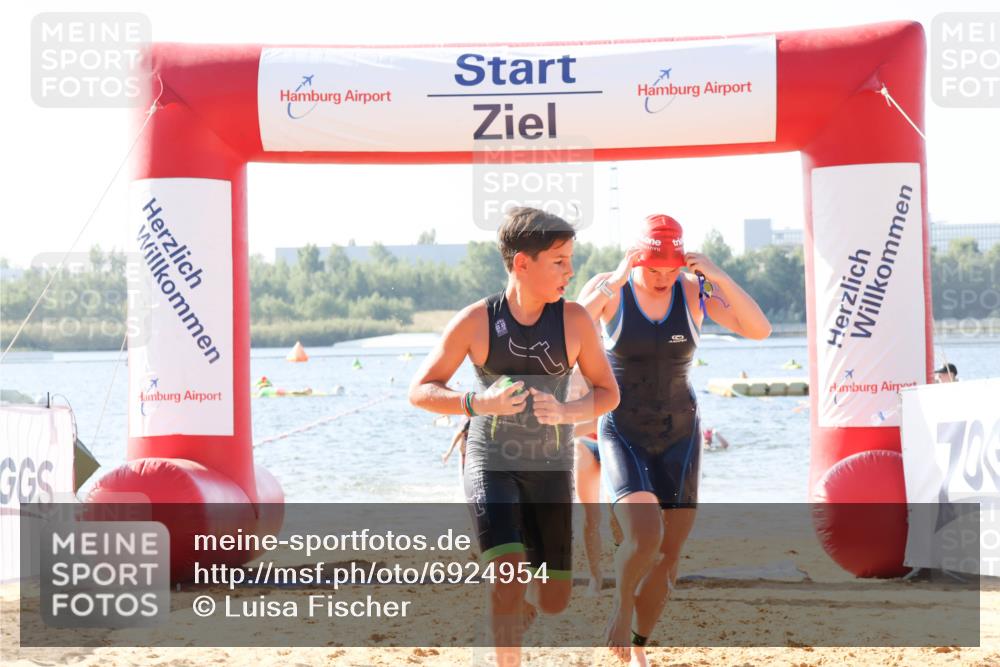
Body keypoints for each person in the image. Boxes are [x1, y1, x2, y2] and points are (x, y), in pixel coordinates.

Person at [409, 207, 620, 667]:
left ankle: (515, 589)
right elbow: (421, 390)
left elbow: (609, 393)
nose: (570, 270)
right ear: (522, 263)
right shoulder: (477, 321)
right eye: (559, 261)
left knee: (554, 599)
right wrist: (476, 403)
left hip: (550, 468)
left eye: (570, 259)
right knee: (508, 576)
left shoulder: (575, 321)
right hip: (489, 460)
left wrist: (566, 411)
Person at [577, 214, 771, 665]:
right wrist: (617, 280)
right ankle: (621, 607)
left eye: (671, 268)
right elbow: (567, 328)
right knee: (645, 537)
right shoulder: (611, 288)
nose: (664, 277)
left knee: (668, 557)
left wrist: (716, 273)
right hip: (623, 428)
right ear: (636, 257)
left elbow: (759, 329)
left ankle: (641, 649)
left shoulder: (693, 290)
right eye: (654, 268)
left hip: (681, 434)